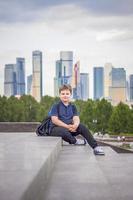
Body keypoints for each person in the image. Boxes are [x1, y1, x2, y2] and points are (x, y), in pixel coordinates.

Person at [49, 84, 104, 155]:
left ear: (70, 95)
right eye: (63, 94)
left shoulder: (73, 107)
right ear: (59, 95)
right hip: (56, 129)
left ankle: (95, 147)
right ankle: (75, 141)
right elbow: (54, 120)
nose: (65, 95)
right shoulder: (56, 106)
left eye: (67, 94)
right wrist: (67, 126)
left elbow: (76, 118)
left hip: (70, 128)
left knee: (82, 127)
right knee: (63, 131)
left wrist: (75, 125)